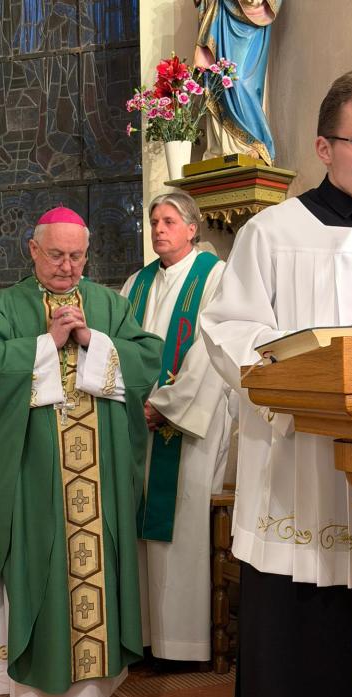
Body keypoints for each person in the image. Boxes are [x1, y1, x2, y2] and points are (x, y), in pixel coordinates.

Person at [200, 64, 352, 697]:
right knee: (307, 671)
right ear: (324, 147)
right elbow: (230, 330)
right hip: (302, 480)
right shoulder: (273, 233)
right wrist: (295, 369)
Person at [0, 207, 162, 697]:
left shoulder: (109, 304)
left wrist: (95, 341)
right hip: (35, 476)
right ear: (33, 250)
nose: (67, 266)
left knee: (97, 576)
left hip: (101, 478)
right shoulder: (4, 306)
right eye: (56, 255)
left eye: (76, 256)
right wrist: (45, 344)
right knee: (40, 573)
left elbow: (148, 356)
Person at [121, 192, 230, 669]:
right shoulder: (136, 283)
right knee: (140, 529)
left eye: (168, 221)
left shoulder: (216, 276)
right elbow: (120, 346)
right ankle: (145, 636)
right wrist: (133, 404)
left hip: (186, 425)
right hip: (139, 423)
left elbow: (211, 348)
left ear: (192, 228)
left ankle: (182, 645)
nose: (159, 229)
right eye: (154, 221)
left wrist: (166, 407)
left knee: (180, 529)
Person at [193, 0, 283, 165]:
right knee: (218, 79)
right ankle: (220, 147)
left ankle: (252, 142)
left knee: (239, 82)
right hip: (221, 18)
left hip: (250, 24)